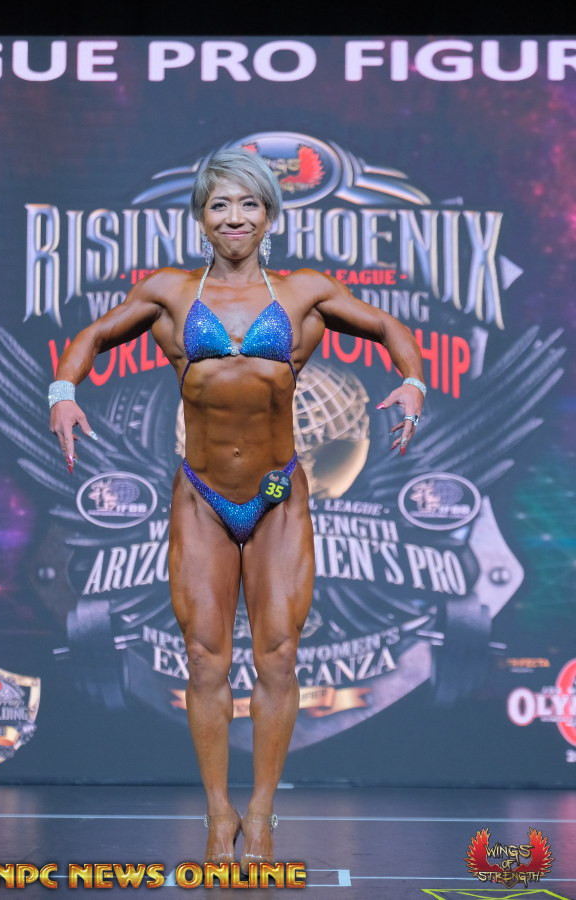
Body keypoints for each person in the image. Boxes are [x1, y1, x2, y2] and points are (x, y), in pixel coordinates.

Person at [48, 148, 425, 874]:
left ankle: (261, 812)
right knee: (204, 657)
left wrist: (412, 382)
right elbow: (93, 336)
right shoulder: (170, 292)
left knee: (278, 655)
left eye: (248, 204)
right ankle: (219, 813)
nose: (234, 218)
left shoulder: (304, 293)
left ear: (268, 215)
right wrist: (63, 394)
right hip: (202, 496)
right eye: (219, 204)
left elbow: (387, 329)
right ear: (201, 217)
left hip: (278, 496)